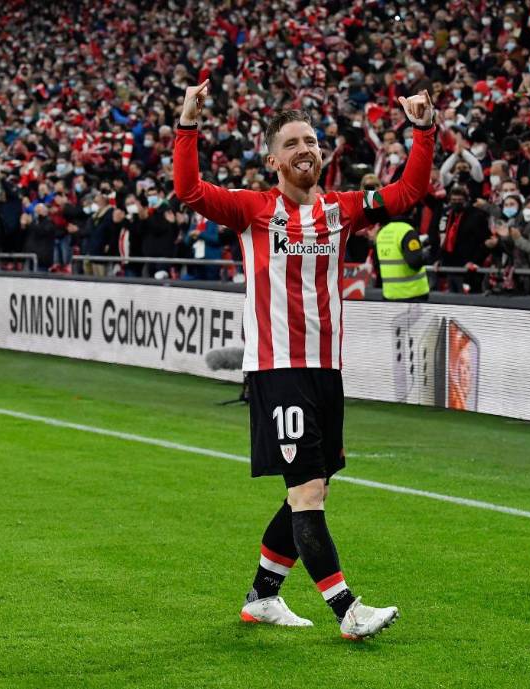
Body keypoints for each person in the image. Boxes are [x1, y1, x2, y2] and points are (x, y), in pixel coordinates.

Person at [173, 79, 436, 639]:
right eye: (292, 143)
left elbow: (409, 192)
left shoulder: (342, 210)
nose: (305, 150)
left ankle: (263, 596)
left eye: (312, 140)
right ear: (273, 160)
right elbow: (190, 191)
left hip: (325, 372)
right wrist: (188, 126)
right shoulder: (253, 210)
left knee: (311, 487)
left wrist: (423, 129)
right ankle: (347, 611)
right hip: (279, 369)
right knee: (307, 493)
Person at [375, 220, 430, 301]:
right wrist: (426, 255)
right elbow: (415, 263)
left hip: (390, 295)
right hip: (414, 295)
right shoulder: (406, 231)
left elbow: (377, 264)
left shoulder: (381, 233)